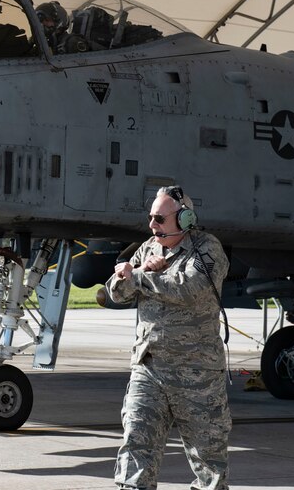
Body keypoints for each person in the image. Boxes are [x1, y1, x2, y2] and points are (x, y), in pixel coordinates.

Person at [105, 186, 231, 490]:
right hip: (149, 368)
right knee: (135, 445)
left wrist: (140, 277)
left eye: (159, 218)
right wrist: (136, 271)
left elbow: (188, 287)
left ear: (185, 219)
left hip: (197, 374)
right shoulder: (148, 248)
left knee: (208, 464)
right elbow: (114, 290)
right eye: (150, 218)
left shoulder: (207, 248)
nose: (152, 225)